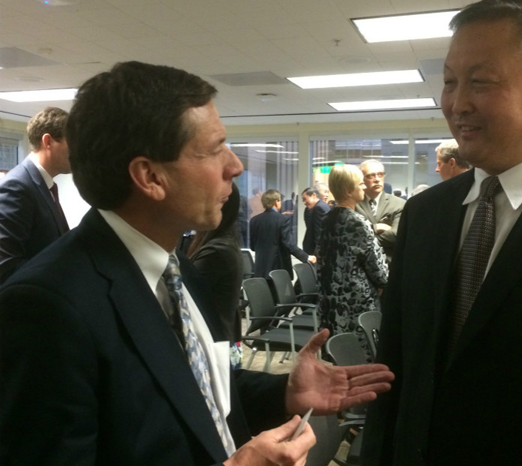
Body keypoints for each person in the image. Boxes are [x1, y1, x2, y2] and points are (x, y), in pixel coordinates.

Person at [0, 61, 394, 466]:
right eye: (213, 150)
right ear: (150, 177)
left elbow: (198, 387)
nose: (235, 166)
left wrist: (283, 393)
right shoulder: (47, 306)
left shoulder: (178, 268)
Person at [361, 0, 522, 466]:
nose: (457, 103)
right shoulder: (425, 213)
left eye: (481, 82)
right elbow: (395, 368)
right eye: (450, 82)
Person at [317, 164, 388, 358]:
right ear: (349, 191)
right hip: (356, 303)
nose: (364, 186)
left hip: (331, 300)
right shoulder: (357, 221)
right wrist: (382, 284)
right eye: (360, 183)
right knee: (361, 359)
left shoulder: (327, 220)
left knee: (339, 356)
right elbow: (379, 269)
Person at [0, 106, 71, 283]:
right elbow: (7, 265)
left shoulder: (45, 185)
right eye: (72, 142)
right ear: (48, 141)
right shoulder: (16, 187)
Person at [188, 182, 244, 369]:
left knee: (230, 383)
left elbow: (185, 296)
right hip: (223, 336)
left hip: (217, 341)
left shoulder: (218, 250)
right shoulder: (222, 243)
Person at [250, 189, 316, 279]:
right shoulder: (283, 219)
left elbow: (252, 247)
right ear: (276, 202)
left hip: (260, 270)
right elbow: (289, 244)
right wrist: (306, 257)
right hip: (278, 270)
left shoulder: (254, 221)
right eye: (280, 201)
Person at [355, 159, 405, 264]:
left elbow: (396, 235)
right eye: (371, 176)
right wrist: (376, 227)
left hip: (390, 264)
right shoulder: (354, 203)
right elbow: (351, 232)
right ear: (361, 179)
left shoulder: (398, 204)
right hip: (359, 265)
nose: (377, 179)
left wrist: (363, 242)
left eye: (380, 175)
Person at [301, 186, 329, 256]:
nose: (304, 203)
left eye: (305, 199)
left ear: (314, 195)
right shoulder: (324, 205)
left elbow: (318, 233)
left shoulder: (318, 208)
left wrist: (317, 254)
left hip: (314, 251)